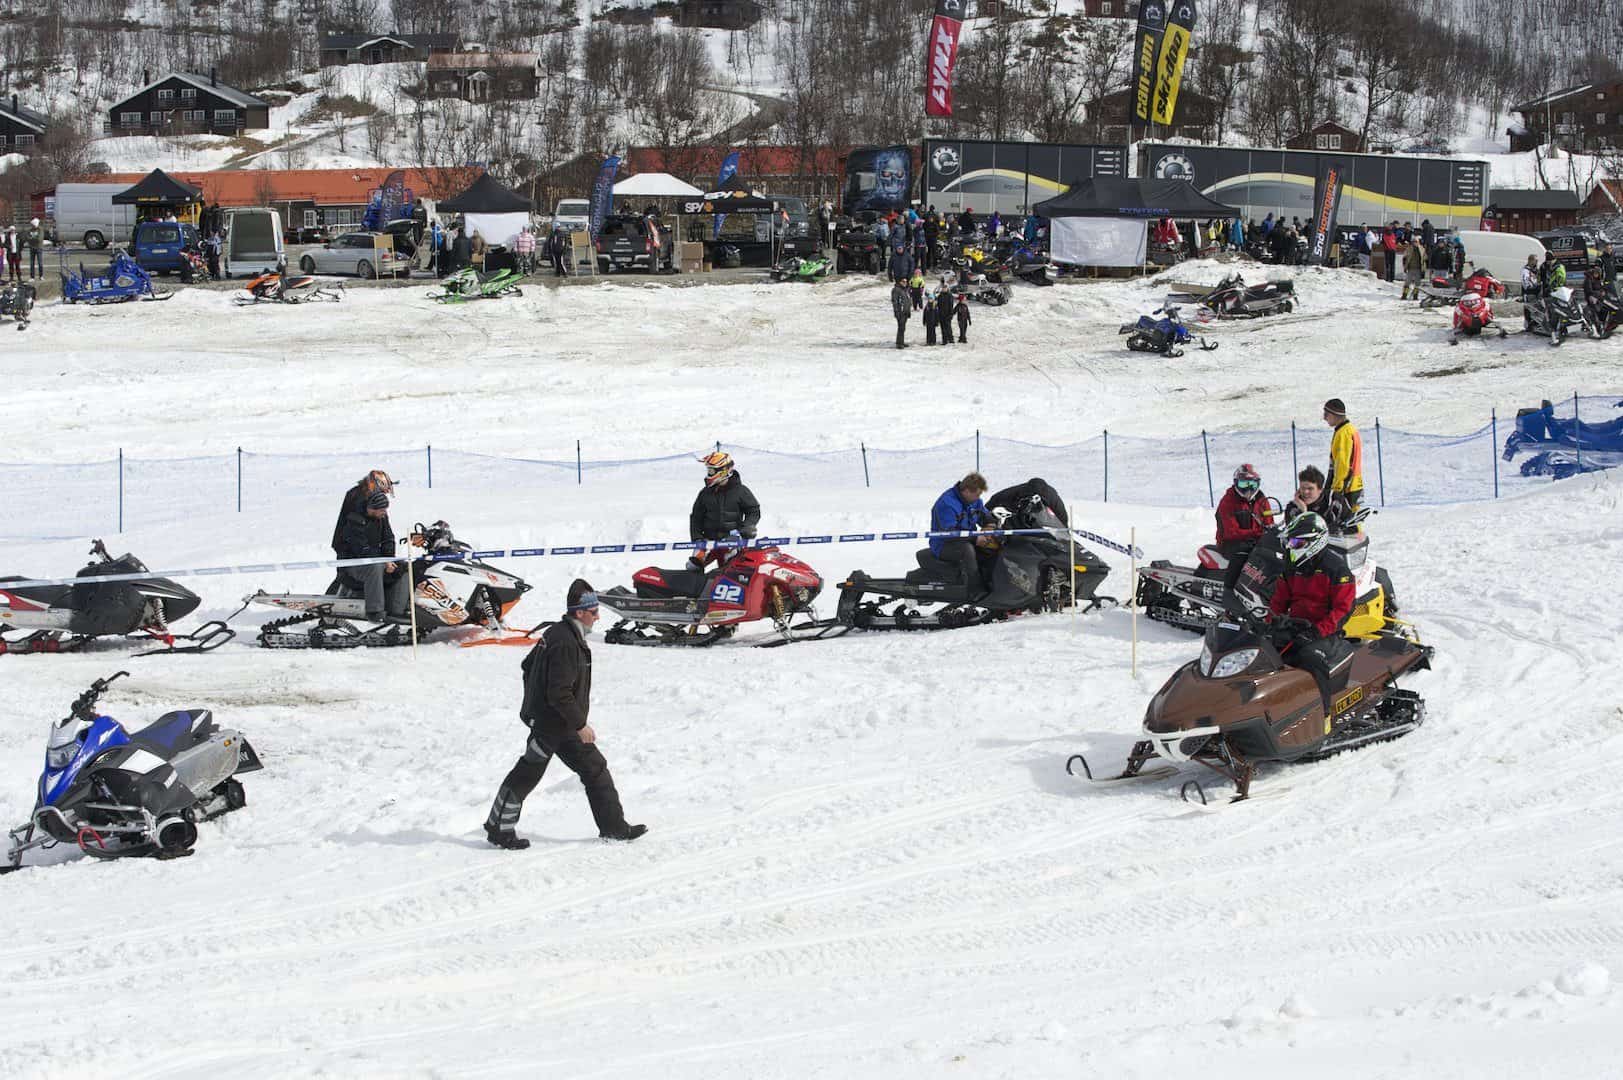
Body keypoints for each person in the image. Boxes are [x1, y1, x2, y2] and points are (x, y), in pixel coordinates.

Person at [484, 579, 646, 849]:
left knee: (595, 769)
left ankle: (614, 827)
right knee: (528, 773)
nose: (598, 616)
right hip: (553, 725)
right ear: (579, 612)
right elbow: (559, 692)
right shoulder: (566, 642)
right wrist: (579, 723)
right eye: (593, 611)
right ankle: (498, 829)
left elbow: (528, 666)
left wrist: (540, 706)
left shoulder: (560, 633)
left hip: (561, 722)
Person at [1267, 512, 1356, 711]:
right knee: (1264, 652)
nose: (1291, 547)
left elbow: (1343, 609)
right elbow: (1279, 600)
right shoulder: (1292, 567)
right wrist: (1270, 622)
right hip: (1296, 626)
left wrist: (1317, 631)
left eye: (1296, 543)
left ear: (1314, 542)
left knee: (1310, 658)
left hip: (1325, 631)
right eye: (1290, 542)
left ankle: (1323, 715)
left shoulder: (1336, 569)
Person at [330, 470, 409, 622]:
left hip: (370, 554)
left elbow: (388, 538)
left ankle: (397, 609)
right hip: (354, 555)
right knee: (373, 568)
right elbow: (359, 546)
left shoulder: (379, 511)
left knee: (403, 567)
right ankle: (375, 611)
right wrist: (381, 561)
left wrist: (388, 559)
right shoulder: (356, 503)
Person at [1215, 464, 1276, 594]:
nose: (1248, 489)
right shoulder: (1228, 501)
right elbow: (1231, 532)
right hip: (1231, 543)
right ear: (1236, 483)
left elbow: (1269, 520)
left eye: (1252, 484)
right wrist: (1258, 533)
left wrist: (1271, 532)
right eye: (1244, 484)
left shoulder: (1261, 499)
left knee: (1272, 557)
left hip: (1256, 541)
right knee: (1243, 556)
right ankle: (1230, 592)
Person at [689, 451, 761, 561]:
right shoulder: (705, 493)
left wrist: (746, 528)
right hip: (708, 541)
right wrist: (697, 538)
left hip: (732, 540)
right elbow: (696, 517)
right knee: (693, 565)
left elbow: (753, 510)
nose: (709, 474)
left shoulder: (741, 491)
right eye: (708, 470)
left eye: (712, 471)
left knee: (730, 566)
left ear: (723, 471)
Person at [930, 472, 993, 589]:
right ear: (967, 491)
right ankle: (974, 588)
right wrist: (975, 538)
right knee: (967, 550)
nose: (978, 498)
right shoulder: (947, 504)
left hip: (967, 539)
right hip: (945, 544)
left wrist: (990, 525)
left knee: (993, 546)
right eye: (977, 495)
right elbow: (951, 533)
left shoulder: (974, 501)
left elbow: (984, 515)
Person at [1320, 398, 1364, 518]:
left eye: (1326, 414)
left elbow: (1342, 463)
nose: (1324, 418)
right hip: (1355, 484)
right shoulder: (1349, 429)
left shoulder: (1343, 433)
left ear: (1335, 414)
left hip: (1347, 486)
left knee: (1343, 525)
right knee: (1352, 521)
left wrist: (1338, 489)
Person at [891, 278, 911, 349]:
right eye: (903, 281)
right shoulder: (896, 290)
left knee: (903, 328)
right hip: (900, 312)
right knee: (901, 327)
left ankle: (901, 341)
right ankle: (899, 343)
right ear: (900, 282)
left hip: (905, 311)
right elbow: (895, 301)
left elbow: (907, 300)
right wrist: (896, 311)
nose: (905, 283)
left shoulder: (905, 289)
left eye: (906, 281)